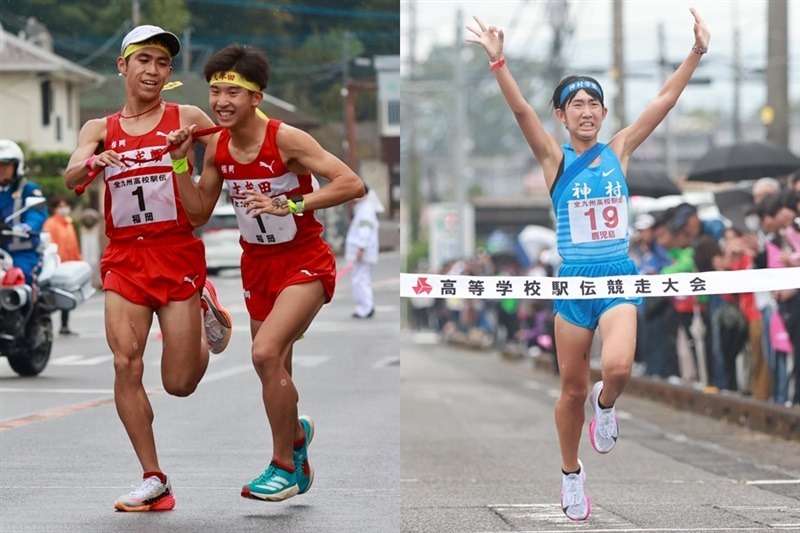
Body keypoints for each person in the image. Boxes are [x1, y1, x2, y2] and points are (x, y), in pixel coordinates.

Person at [467, 8, 710, 521]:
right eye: (576, 104)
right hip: (573, 285)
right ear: (562, 115)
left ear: (603, 113)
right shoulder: (554, 160)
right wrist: (499, 63)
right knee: (571, 389)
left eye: (594, 103)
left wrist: (696, 52)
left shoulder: (619, 149)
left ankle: (608, 405)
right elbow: (521, 114)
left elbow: (662, 103)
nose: (587, 111)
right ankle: (571, 474)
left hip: (618, 276)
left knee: (618, 368)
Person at [166, 44, 364, 502]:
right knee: (274, 366)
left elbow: (351, 183)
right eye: (215, 91)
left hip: (303, 261)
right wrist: (181, 162)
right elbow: (197, 213)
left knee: (263, 352)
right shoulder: (215, 145)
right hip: (256, 263)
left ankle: (283, 468)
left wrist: (291, 203)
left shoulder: (286, 139)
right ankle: (295, 438)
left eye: (233, 92)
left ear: (256, 97)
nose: (221, 102)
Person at [63, 25, 233, 512]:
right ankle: (154, 478)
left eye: (163, 63)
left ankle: (204, 306)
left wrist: (184, 161)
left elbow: (215, 180)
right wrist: (94, 164)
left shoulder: (189, 117)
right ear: (123, 66)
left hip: (175, 252)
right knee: (124, 362)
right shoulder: (98, 130)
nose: (154, 71)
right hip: (124, 258)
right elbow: (72, 172)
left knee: (180, 384)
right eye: (144, 60)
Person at [0, 140, 48, 286]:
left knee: (22, 276)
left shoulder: (29, 189)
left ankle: (29, 307)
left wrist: (26, 226)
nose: (1, 169)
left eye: (6, 165)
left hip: (23, 252)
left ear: (17, 166)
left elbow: (37, 213)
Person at [42, 195, 82, 335]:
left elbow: (73, 243)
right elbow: (50, 244)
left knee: (66, 295)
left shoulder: (68, 223)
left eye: (65, 205)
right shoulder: (51, 223)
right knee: (53, 297)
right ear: (54, 208)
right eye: (61, 206)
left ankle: (64, 325)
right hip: (57, 265)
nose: (64, 209)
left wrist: (77, 259)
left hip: (69, 264)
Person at [345, 184, 382, 318]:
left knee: (361, 280)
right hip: (362, 251)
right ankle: (364, 306)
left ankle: (365, 308)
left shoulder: (366, 210)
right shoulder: (361, 208)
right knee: (359, 279)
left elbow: (365, 231)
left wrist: (361, 248)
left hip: (364, 251)